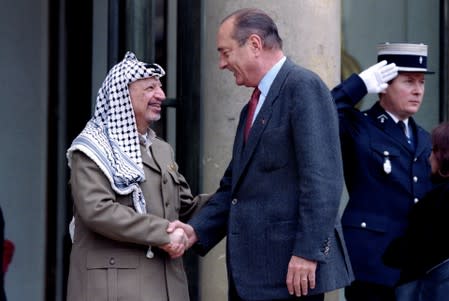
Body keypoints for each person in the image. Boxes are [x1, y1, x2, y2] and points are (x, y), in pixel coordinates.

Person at [169, 8, 353, 301]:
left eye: (226, 52)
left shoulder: (303, 87)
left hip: (290, 276)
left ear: (254, 44)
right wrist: (194, 231)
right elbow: (234, 188)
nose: (221, 64)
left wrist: (307, 252)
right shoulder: (251, 108)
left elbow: (323, 180)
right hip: (253, 279)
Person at [65, 51, 205, 301]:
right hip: (114, 290)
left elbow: (184, 209)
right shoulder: (91, 148)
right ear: (122, 95)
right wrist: (163, 233)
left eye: (160, 88)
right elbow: (97, 210)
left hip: (167, 289)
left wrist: (236, 194)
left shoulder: (161, 149)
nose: (161, 95)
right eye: (150, 88)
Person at [332, 42, 435, 301]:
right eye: (408, 81)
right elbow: (320, 113)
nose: (417, 91)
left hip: (414, 267)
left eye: (421, 82)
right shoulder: (359, 128)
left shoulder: (423, 138)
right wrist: (358, 86)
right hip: (372, 265)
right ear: (384, 84)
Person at [382, 121, 449, 301]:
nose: (428, 158)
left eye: (433, 150)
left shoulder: (437, 200)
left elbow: (413, 249)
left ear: (443, 154)